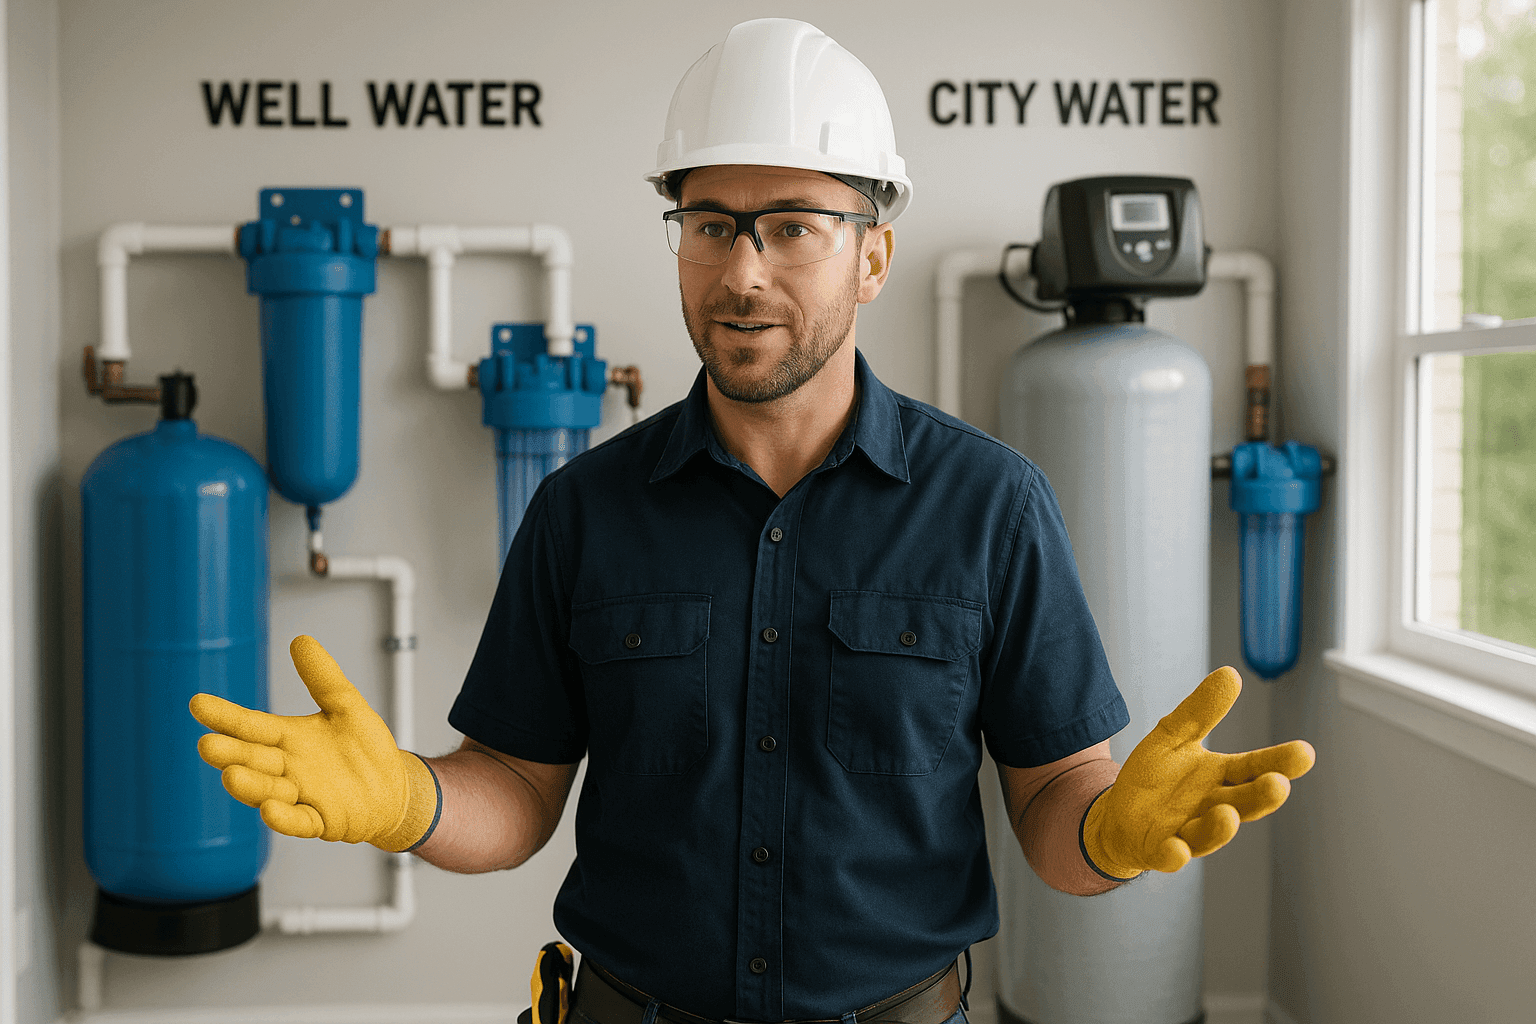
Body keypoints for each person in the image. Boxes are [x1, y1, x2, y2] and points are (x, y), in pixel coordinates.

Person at [191, 18, 1315, 1024]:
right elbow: (520, 791)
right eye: (711, 223)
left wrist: (1109, 833)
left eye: (791, 227)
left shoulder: (990, 505)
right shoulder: (583, 508)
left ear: (872, 253)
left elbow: (1052, 802)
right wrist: (409, 799)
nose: (742, 270)